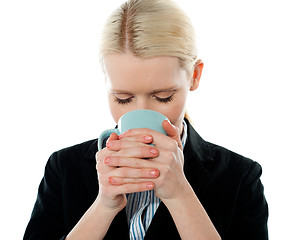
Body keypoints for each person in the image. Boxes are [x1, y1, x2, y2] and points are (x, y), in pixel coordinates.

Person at [23, 0, 268, 239]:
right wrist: (103, 207)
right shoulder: (64, 168)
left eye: (163, 97)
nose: (141, 114)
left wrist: (180, 195)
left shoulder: (239, 178)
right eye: (123, 98)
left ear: (194, 76)